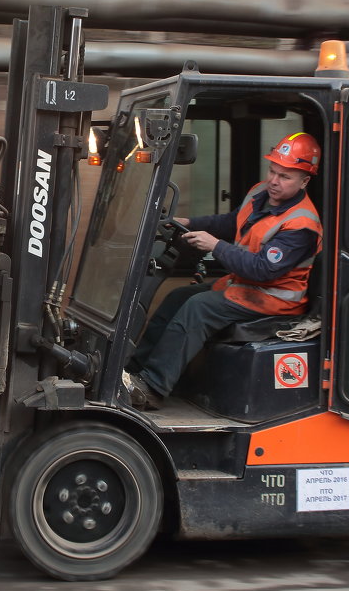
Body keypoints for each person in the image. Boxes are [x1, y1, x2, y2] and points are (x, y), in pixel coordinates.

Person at [123, 132, 324, 410]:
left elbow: (262, 269)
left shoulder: (302, 224)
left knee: (198, 307)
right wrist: (189, 222)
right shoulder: (260, 193)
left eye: (285, 176)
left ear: (305, 181)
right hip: (244, 286)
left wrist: (215, 246)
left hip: (271, 298)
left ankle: (152, 389)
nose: (275, 181)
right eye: (273, 171)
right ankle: (131, 373)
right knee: (177, 298)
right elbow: (233, 222)